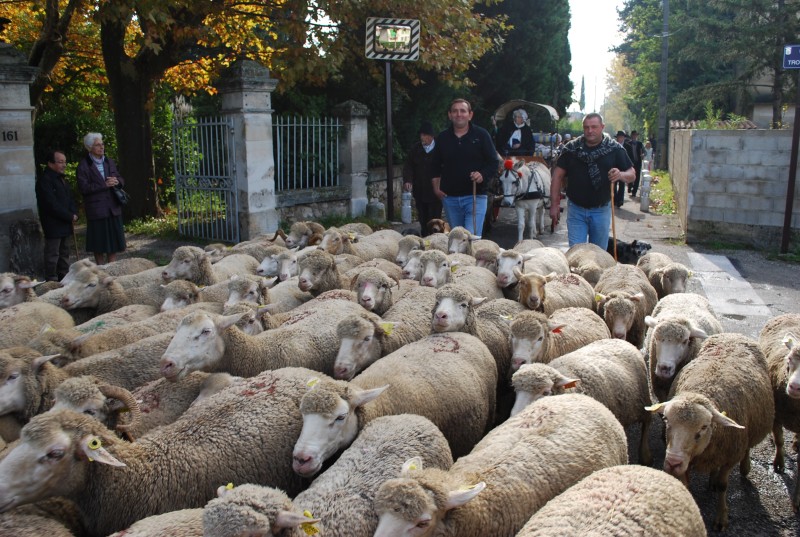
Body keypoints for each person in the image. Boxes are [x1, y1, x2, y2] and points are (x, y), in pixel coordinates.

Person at [549, 113, 635, 249]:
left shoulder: (614, 149)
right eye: (586, 127)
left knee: (599, 255)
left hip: (601, 211)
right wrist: (554, 205)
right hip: (576, 210)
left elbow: (632, 174)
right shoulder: (571, 149)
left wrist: (620, 175)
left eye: (594, 127)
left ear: (602, 127)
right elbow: (557, 176)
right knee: (576, 254)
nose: (590, 131)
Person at [432, 98, 499, 238]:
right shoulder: (443, 138)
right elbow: (435, 165)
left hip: (475, 196)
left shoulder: (481, 135)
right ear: (449, 115)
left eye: (463, 111)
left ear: (470, 115)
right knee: (457, 240)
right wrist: (436, 188)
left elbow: (493, 162)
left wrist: (482, 174)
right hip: (450, 198)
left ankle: (471, 260)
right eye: (455, 111)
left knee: (470, 238)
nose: (459, 114)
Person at [76, 132, 126, 264]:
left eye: (102, 144)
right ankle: (100, 268)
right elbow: (84, 188)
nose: (101, 147)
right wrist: (103, 185)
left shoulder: (109, 161)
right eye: (97, 145)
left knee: (114, 243)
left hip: (112, 207)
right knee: (99, 243)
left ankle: (112, 267)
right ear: (89, 147)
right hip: (97, 210)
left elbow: (120, 178)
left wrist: (117, 181)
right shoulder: (83, 166)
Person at [35, 150, 78, 282]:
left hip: (65, 222)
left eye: (64, 162)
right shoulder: (45, 180)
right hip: (53, 223)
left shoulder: (62, 179)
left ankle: (64, 277)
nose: (64, 165)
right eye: (60, 162)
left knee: (65, 253)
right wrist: (68, 215)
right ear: (50, 163)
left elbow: (70, 199)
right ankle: (51, 280)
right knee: (53, 254)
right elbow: (51, 204)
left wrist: (73, 212)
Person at [403, 121, 442, 236]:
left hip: (435, 191)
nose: (422, 138)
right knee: (422, 216)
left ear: (431, 136)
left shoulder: (439, 148)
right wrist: (408, 180)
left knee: (435, 218)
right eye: (421, 135)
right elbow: (408, 166)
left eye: (424, 135)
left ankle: (435, 238)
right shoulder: (416, 149)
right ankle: (425, 238)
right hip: (420, 189)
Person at [626, 130, 645, 198]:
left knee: (637, 177)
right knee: (630, 175)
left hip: (638, 162)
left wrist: (643, 155)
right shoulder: (628, 144)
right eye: (633, 135)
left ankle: (634, 192)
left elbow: (644, 151)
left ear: (637, 136)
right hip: (630, 163)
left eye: (635, 135)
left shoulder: (640, 144)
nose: (634, 136)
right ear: (631, 136)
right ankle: (630, 186)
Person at [613, 130, 629, 208]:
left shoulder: (627, 146)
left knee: (622, 184)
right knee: (614, 184)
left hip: (624, 168)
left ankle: (620, 200)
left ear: (624, 138)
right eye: (619, 137)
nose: (620, 138)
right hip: (615, 167)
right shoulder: (613, 146)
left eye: (621, 137)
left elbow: (630, 157)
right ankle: (615, 199)